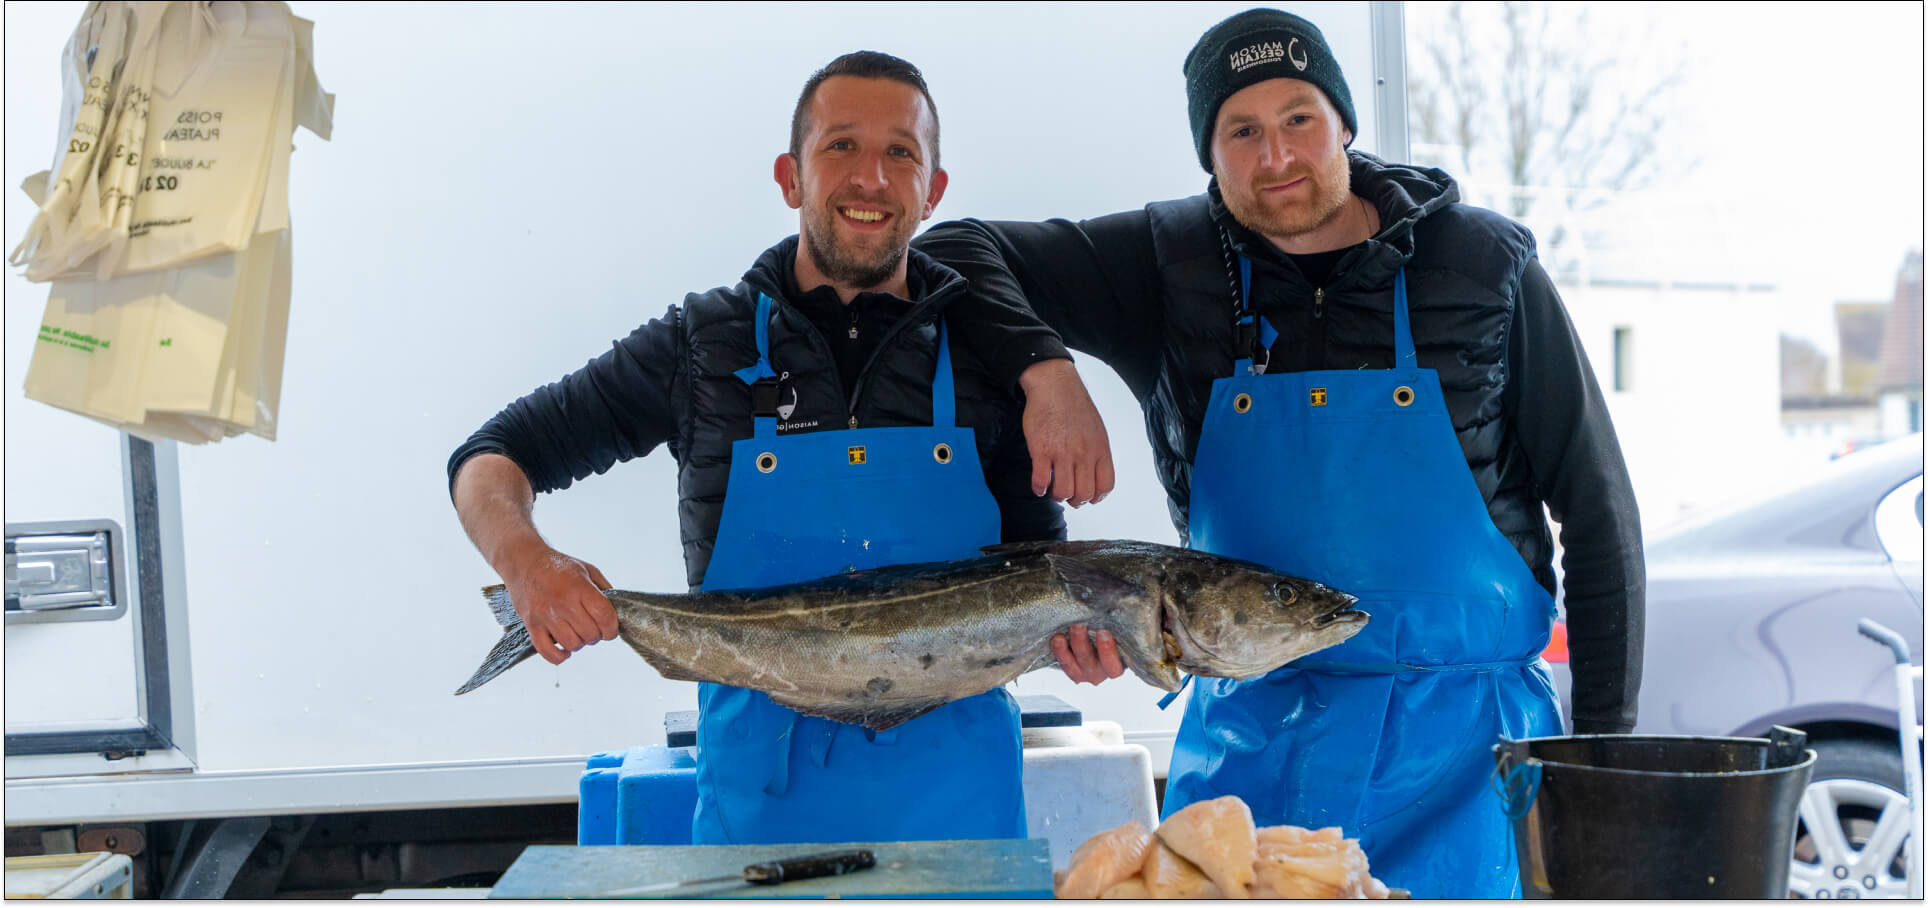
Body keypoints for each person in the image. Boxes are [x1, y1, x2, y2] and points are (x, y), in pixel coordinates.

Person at [915, 9, 1644, 897]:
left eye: (1300, 117)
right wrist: (1048, 374)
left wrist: (1603, 757)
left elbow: (1599, 512)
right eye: (1241, 131)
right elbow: (955, 250)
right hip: (1248, 779)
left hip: (1468, 771)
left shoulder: (1481, 264)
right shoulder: (1167, 264)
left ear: (1345, 121)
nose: (1277, 156)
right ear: (1210, 156)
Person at [446, 51, 1117, 847]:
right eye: (840, 146)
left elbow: (1038, 573)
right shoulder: (703, 345)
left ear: (933, 190)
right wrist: (528, 564)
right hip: (760, 815)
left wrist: (1083, 640)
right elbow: (494, 453)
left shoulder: (995, 358)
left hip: (960, 815)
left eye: (900, 152)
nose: (870, 177)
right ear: (789, 177)